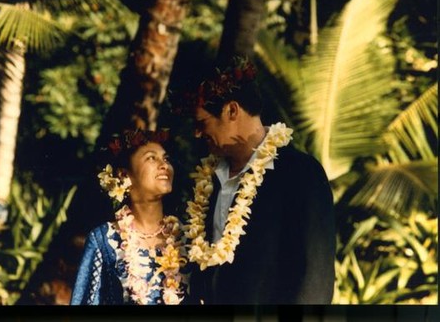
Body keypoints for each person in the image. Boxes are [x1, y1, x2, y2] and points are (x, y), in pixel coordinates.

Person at [172, 57, 335, 304]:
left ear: (232, 110)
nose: (196, 132)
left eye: (201, 122)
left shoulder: (300, 174)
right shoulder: (208, 181)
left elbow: (314, 280)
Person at [70, 129, 189, 305]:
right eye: (151, 158)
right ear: (124, 175)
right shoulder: (104, 240)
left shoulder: (188, 238)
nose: (164, 165)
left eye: (166, 159)